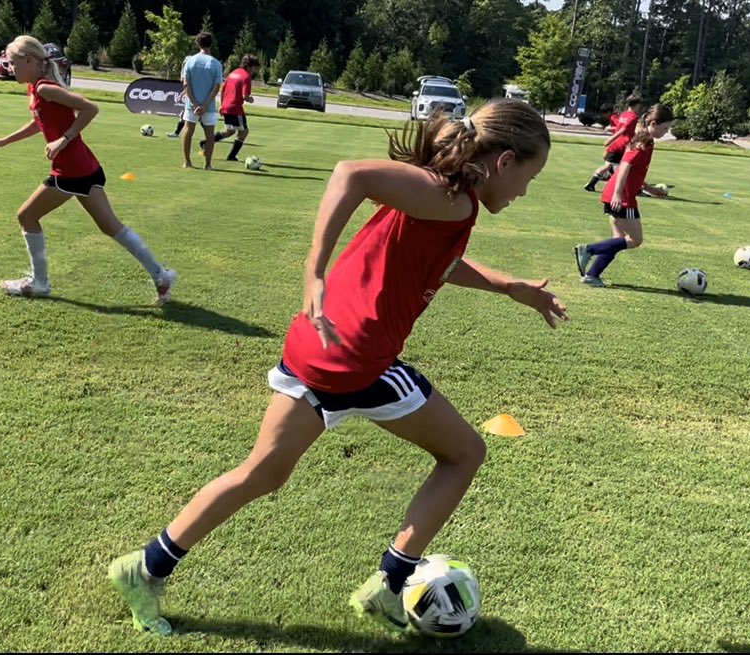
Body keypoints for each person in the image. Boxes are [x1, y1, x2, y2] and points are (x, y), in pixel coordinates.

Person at [107, 99, 569, 636]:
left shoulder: (442, 198)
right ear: (505, 161)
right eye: (528, 179)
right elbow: (351, 174)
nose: (523, 193)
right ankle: (389, 585)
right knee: (465, 452)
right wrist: (315, 270)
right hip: (356, 361)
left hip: (315, 349)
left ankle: (144, 569)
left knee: (262, 473)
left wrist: (506, 286)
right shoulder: (449, 199)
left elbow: (435, 262)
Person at [0, 36, 176, 304]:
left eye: (13, 63)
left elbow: (90, 108)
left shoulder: (45, 88)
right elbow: (39, 122)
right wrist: (3, 141)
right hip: (84, 166)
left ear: (29, 60)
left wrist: (64, 139)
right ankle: (160, 275)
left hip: (70, 170)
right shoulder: (35, 88)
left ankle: (39, 283)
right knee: (111, 227)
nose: (10, 68)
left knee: (26, 216)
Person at [574, 104, 675, 287]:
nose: (666, 132)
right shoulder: (644, 142)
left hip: (617, 194)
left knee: (617, 241)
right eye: (665, 128)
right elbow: (625, 167)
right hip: (623, 198)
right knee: (635, 240)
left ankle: (592, 275)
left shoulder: (643, 139)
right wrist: (619, 195)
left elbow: (634, 172)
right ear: (653, 124)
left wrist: (650, 189)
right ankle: (588, 249)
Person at [201, 54, 259, 162]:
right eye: (255, 67)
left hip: (227, 107)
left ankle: (206, 142)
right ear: (250, 66)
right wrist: (250, 99)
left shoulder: (233, 73)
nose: (255, 71)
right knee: (243, 132)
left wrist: (222, 105)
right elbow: (244, 96)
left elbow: (223, 89)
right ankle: (231, 156)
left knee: (230, 131)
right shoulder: (246, 77)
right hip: (235, 109)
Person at [181, 32, 223, 169]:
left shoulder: (190, 61)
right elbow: (216, 88)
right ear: (211, 44)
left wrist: (194, 103)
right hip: (208, 105)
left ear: (197, 43)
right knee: (209, 135)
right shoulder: (216, 64)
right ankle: (207, 164)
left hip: (191, 104)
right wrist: (204, 105)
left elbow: (186, 84)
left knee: (188, 130)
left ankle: (187, 162)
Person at [584, 94, 643, 192]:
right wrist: (610, 139)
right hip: (622, 146)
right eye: (639, 106)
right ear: (636, 105)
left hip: (616, 144)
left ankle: (592, 184)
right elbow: (623, 129)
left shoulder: (623, 115)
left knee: (610, 165)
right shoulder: (633, 117)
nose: (639, 108)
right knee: (626, 167)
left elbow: (620, 128)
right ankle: (633, 189)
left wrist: (612, 138)